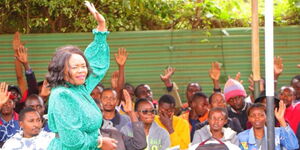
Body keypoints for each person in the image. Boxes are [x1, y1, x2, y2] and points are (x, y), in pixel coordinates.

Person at [46, 2, 117, 149]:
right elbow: (73, 141)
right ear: (62, 71)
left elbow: (96, 65)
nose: (82, 71)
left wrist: (101, 26)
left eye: (83, 66)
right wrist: (100, 142)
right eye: (75, 67)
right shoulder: (62, 95)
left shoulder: (80, 87)